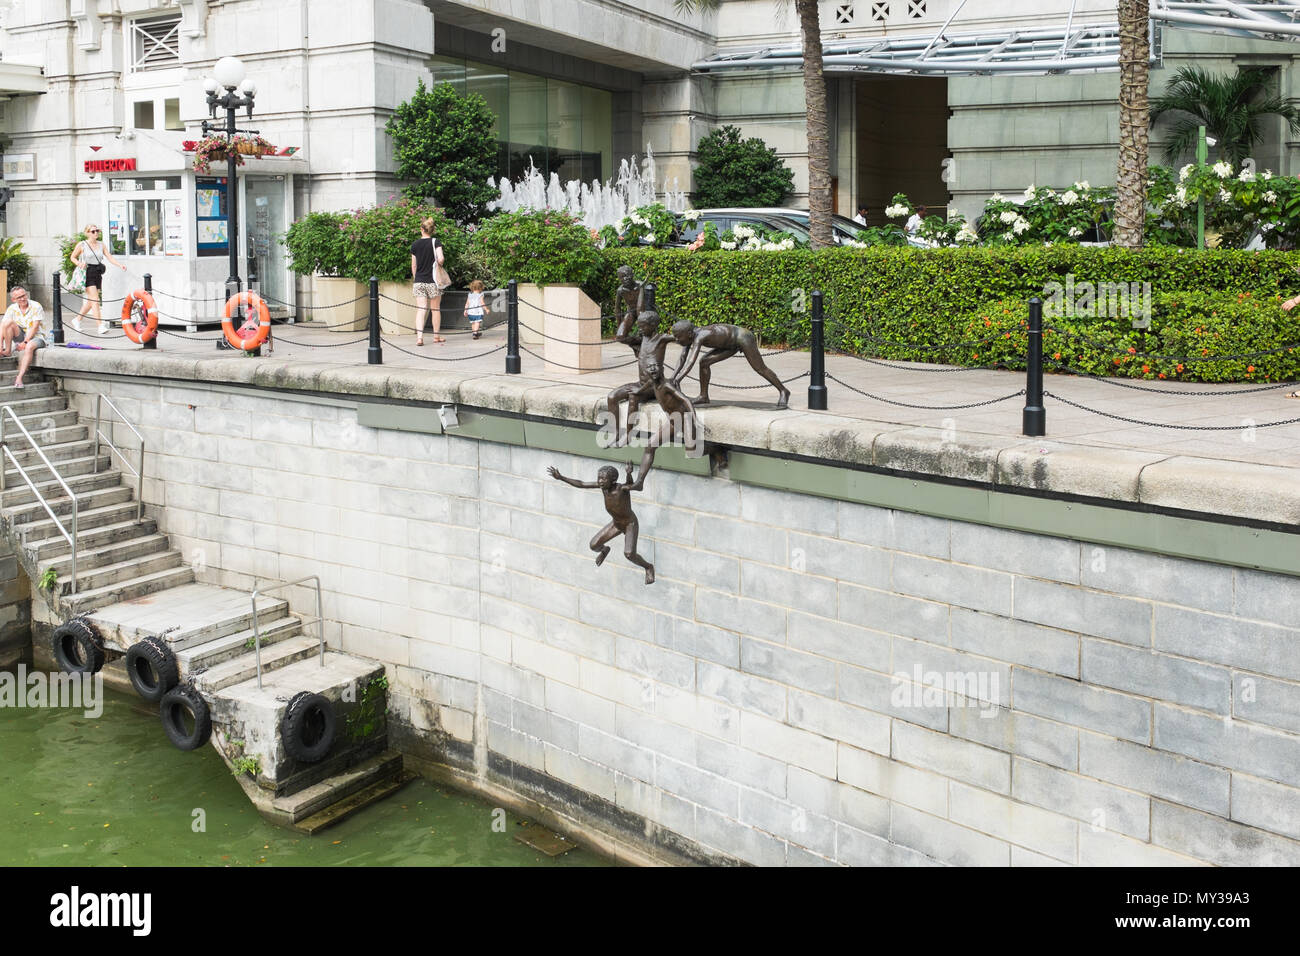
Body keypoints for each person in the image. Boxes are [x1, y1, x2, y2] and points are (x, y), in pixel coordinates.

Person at [547, 462, 655, 584]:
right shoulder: (603, 488)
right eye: (599, 478)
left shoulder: (621, 488)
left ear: (613, 480)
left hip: (630, 524)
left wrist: (629, 474)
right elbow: (581, 484)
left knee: (629, 554)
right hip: (616, 524)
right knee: (593, 545)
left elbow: (635, 486)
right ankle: (605, 550)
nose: (600, 481)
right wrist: (561, 477)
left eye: (603, 479)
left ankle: (648, 567)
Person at [669, 319, 790, 408]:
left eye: (678, 337)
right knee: (704, 362)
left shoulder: (701, 335)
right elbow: (683, 357)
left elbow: (691, 361)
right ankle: (703, 396)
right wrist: (673, 378)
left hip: (742, 337)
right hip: (728, 345)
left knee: (760, 368)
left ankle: (783, 390)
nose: (677, 340)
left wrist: (679, 379)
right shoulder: (689, 337)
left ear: (689, 334)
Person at [70, 223, 127, 335]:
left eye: (97, 231)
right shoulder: (82, 245)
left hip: (97, 272)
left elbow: (109, 257)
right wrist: (79, 263)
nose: (96, 233)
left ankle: (77, 320)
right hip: (87, 271)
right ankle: (100, 325)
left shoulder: (101, 244)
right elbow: (72, 257)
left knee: (92, 300)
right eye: (93, 231)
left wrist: (120, 265)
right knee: (95, 299)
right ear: (87, 233)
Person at [409, 217, 446, 346]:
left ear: (422, 229)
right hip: (433, 281)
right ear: (432, 230)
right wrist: (438, 262)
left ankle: (419, 338)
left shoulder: (415, 244)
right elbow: (441, 258)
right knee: (435, 309)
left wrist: (416, 279)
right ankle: (436, 337)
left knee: (421, 309)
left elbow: (414, 266)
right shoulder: (436, 242)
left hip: (419, 281)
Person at [2, 286, 48, 388]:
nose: (22, 299)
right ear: (13, 299)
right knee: (7, 322)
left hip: (37, 336)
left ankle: (19, 377)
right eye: (19, 297)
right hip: (21, 335)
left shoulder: (36, 306)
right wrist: (0, 345)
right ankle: (8, 350)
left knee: (29, 347)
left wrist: (25, 342)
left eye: (24, 295)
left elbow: (35, 327)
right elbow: (3, 327)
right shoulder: (12, 308)